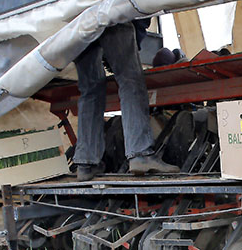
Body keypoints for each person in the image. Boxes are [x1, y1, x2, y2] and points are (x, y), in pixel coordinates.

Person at [73, 23, 180, 180]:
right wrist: (135, 38)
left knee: (90, 89)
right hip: (111, 12)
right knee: (130, 80)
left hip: (77, 20)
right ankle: (140, 154)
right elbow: (139, 8)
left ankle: (86, 163)